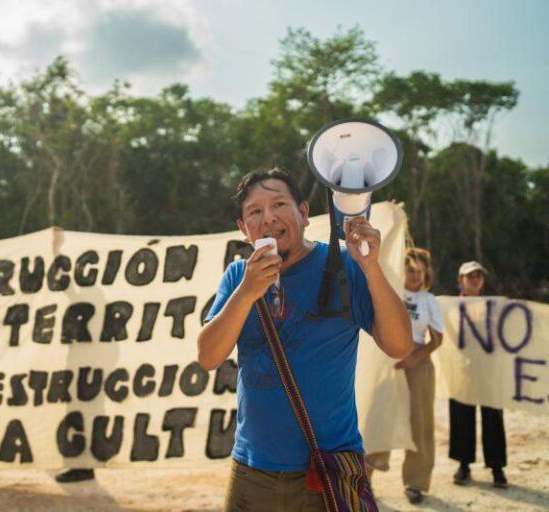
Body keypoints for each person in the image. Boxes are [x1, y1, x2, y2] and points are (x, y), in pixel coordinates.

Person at [197, 168, 413, 511]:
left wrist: (371, 267)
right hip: (252, 469)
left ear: (304, 213)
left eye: (279, 204)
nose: (268, 218)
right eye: (255, 211)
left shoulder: (343, 266)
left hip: (326, 467)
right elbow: (208, 357)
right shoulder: (239, 275)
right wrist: (246, 293)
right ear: (243, 229)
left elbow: (400, 346)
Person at [364, 248, 443, 504]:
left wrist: (412, 359)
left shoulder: (428, 300)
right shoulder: (392, 290)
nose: (415, 276)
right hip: (389, 361)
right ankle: (366, 479)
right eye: (410, 270)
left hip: (418, 363)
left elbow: (437, 339)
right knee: (380, 418)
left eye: (420, 271)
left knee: (420, 422)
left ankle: (415, 483)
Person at [449, 261, 508, 488]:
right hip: (462, 370)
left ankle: (497, 467)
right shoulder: (451, 307)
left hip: (490, 372)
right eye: (469, 276)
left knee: (493, 417)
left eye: (478, 276)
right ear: (460, 281)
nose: (474, 279)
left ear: (483, 280)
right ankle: (464, 465)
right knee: (462, 417)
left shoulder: (494, 307)